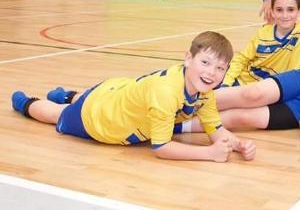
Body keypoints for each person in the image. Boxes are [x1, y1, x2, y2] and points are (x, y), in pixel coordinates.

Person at [11, 31, 256, 162]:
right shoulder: (166, 94)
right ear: (188, 58)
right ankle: (25, 103)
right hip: (101, 118)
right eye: (205, 62)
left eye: (220, 68)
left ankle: (66, 94)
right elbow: (161, 148)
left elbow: (216, 130)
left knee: (86, 97)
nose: (211, 73)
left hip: (115, 91)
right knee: (57, 115)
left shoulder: (205, 93)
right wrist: (208, 154)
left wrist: (236, 144)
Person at [221, 0, 300, 87]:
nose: (285, 15)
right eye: (279, 10)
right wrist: (226, 83)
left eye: (290, 9)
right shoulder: (263, 33)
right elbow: (241, 59)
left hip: (269, 90)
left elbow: (293, 71)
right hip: (242, 82)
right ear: (272, 11)